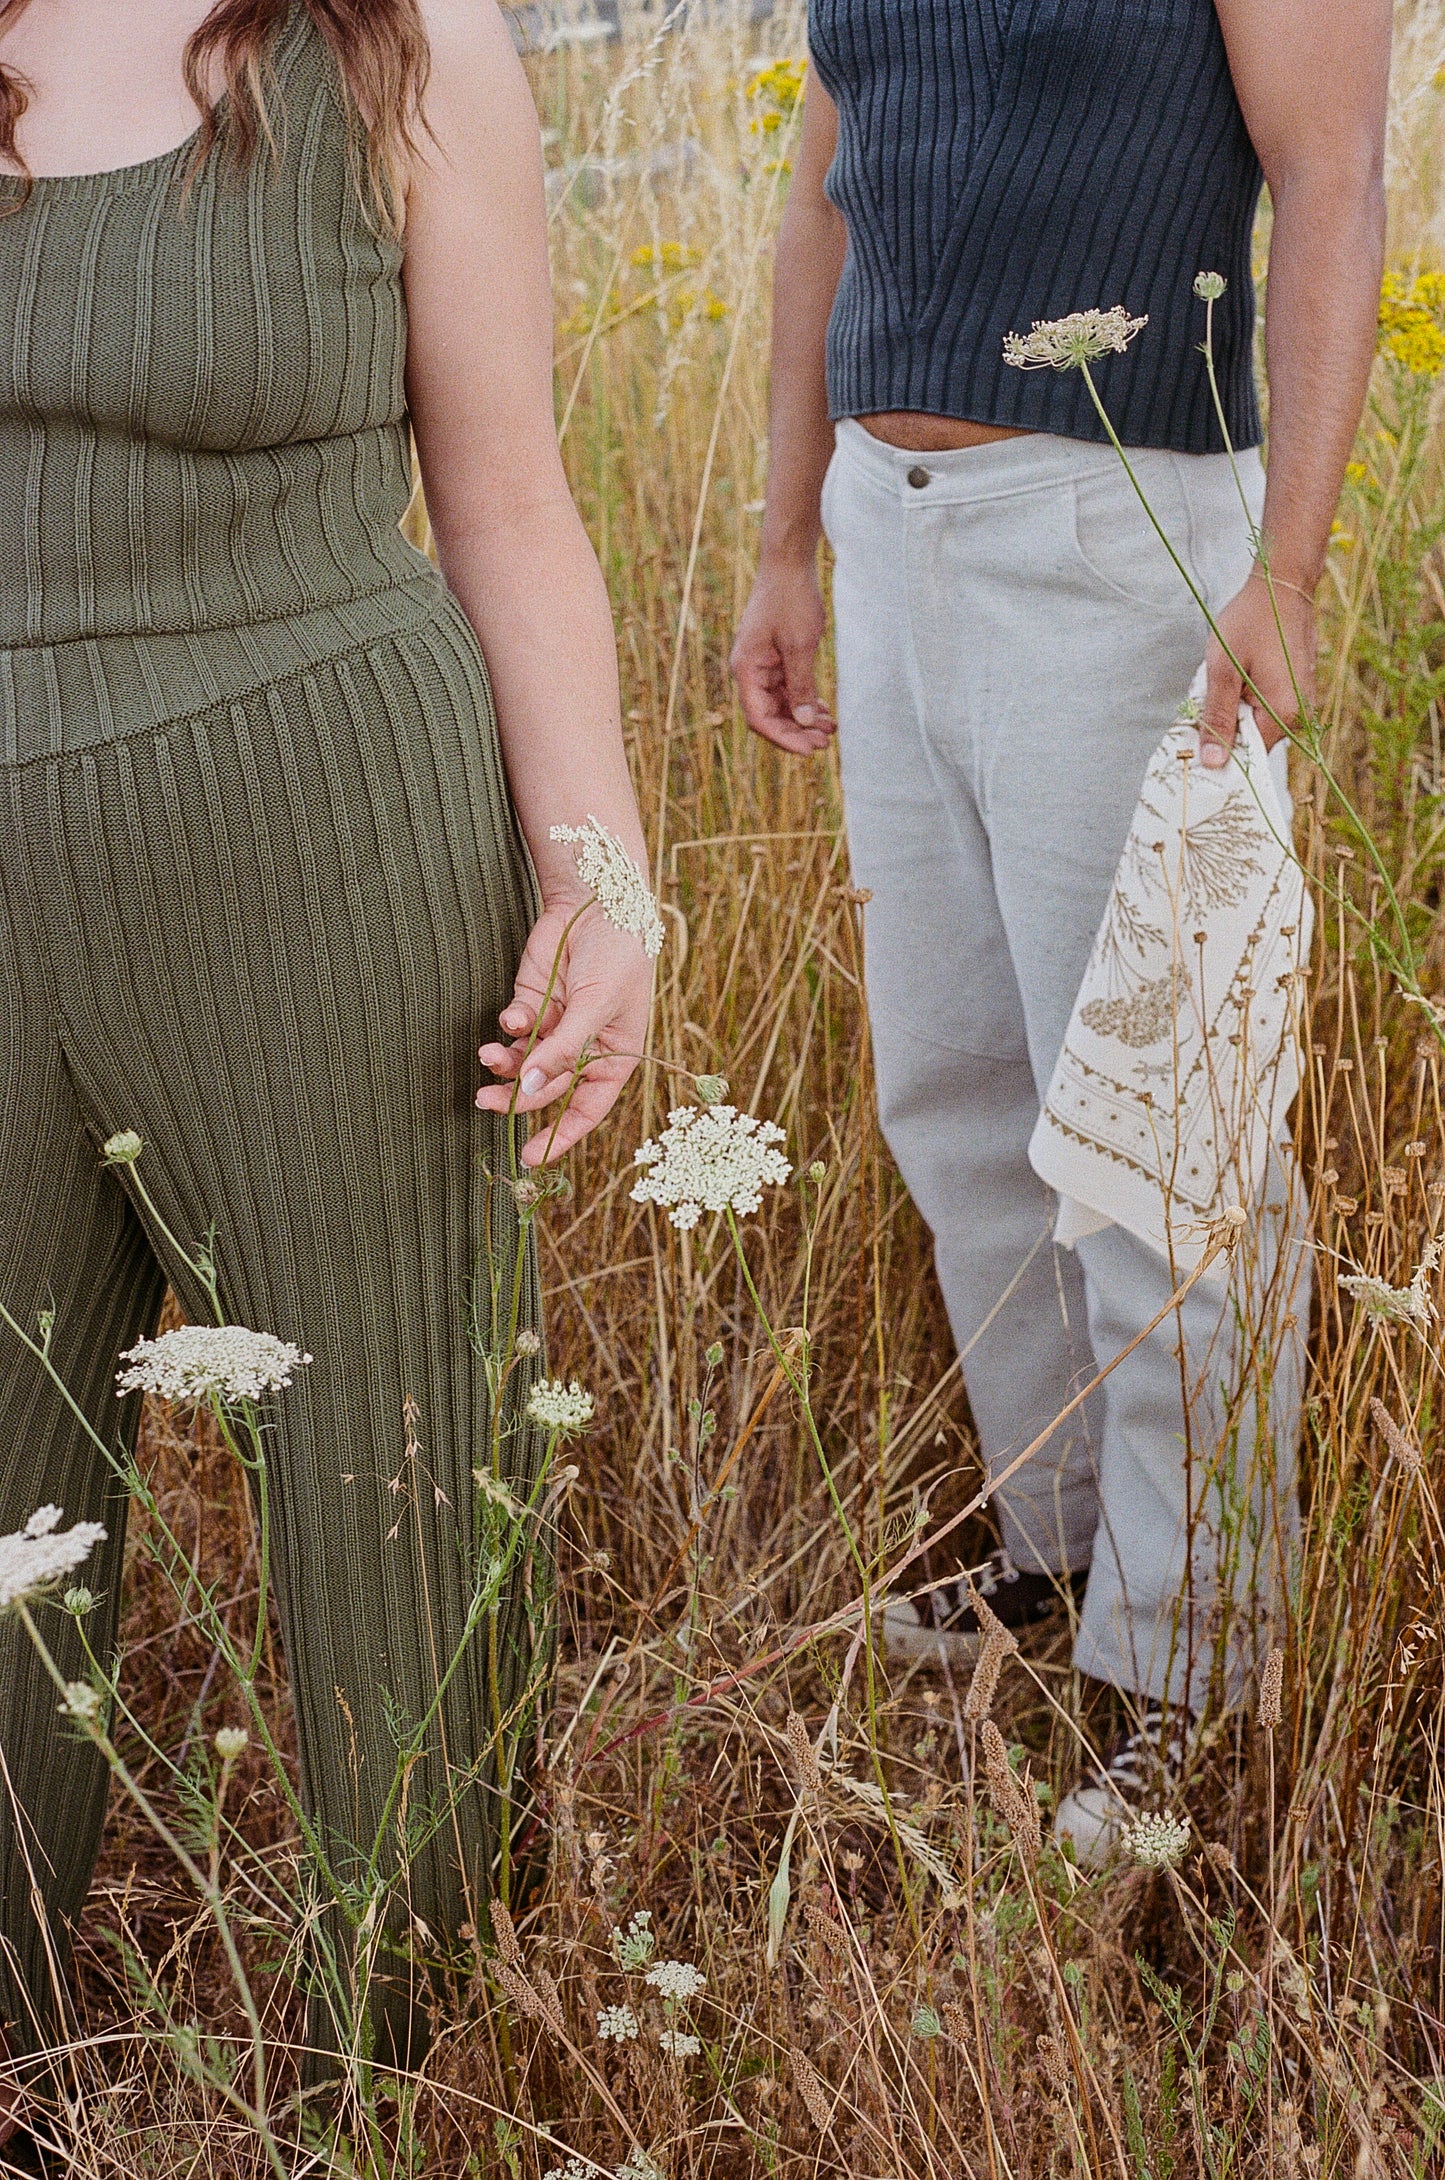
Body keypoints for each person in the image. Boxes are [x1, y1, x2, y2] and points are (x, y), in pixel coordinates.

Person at [0, 0, 651, 2127]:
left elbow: (512, 503)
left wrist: (600, 880)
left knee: (399, 1518)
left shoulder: (400, 48)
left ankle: (401, 2097)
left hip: (327, 854)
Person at [731, 0, 1390, 1858]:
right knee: (955, 1094)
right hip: (890, 527)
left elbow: (1330, 182)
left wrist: (1287, 569)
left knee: (1165, 1128)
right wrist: (787, 536)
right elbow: (826, 198)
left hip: (1115, 536)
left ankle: (1197, 1670)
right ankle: (1066, 1550)